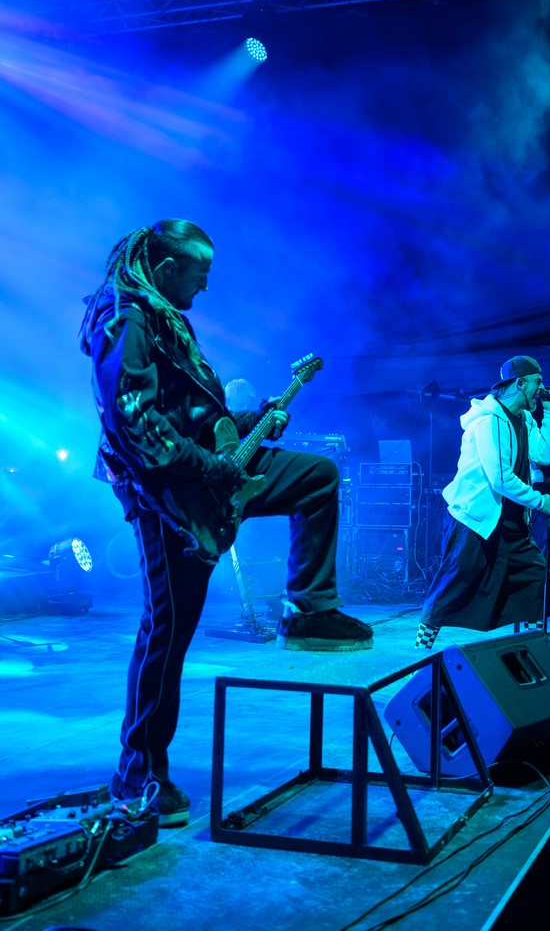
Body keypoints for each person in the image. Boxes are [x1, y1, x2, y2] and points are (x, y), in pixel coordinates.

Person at [79, 219, 372, 826]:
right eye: (200, 273)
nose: (206, 287)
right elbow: (134, 424)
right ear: (167, 269)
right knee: (168, 630)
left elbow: (192, 415)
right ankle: (137, 773)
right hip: (166, 493)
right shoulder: (125, 317)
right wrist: (211, 467)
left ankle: (310, 610)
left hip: (205, 472)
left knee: (317, 475)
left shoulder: (165, 315)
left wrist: (249, 419)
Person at [415, 355, 550, 649]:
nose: (541, 388)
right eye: (537, 382)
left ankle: (534, 647)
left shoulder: (523, 418)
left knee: (535, 577)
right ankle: (421, 647)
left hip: (510, 520)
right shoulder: (489, 421)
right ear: (521, 383)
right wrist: (539, 501)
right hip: (474, 519)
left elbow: (543, 455)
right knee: (455, 583)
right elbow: (500, 479)